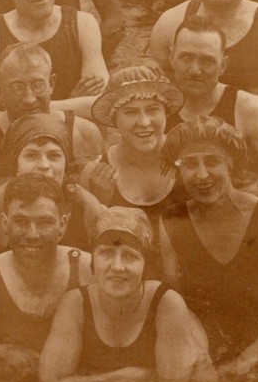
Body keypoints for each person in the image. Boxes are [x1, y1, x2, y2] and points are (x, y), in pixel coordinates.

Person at [159, 116, 258, 373]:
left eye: (213, 161)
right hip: (206, 337)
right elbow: (175, 303)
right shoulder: (171, 222)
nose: (202, 175)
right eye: (190, 163)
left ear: (231, 163)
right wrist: (201, 358)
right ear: (178, 170)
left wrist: (250, 357)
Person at [39, 207, 213, 382]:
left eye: (130, 256)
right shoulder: (76, 303)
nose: (117, 267)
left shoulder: (166, 303)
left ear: (145, 264)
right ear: (93, 260)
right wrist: (120, 378)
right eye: (106, 253)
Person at [0, 173, 93, 354]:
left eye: (44, 222)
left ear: (62, 225)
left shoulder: (88, 270)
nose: (32, 234)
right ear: (5, 223)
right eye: (21, 221)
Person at [78, 65, 188, 279]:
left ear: (166, 113)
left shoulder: (190, 164)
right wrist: (99, 204)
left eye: (153, 109)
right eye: (130, 112)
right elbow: (86, 250)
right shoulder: (96, 172)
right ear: (113, 119)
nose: (144, 122)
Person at [167, 14, 258, 188]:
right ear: (171, 58)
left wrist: (235, 202)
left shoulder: (249, 108)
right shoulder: (154, 106)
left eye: (207, 60)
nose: (195, 70)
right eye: (186, 58)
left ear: (223, 65)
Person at [0, 42, 105, 192]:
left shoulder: (83, 133)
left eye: (37, 85)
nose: (29, 99)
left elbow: (98, 192)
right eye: (17, 87)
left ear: (51, 85)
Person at [0, 113, 103, 253]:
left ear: (65, 164)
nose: (44, 165)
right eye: (32, 155)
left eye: (54, 156)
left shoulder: (86, 206)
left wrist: (91, 203)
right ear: (16, 165)